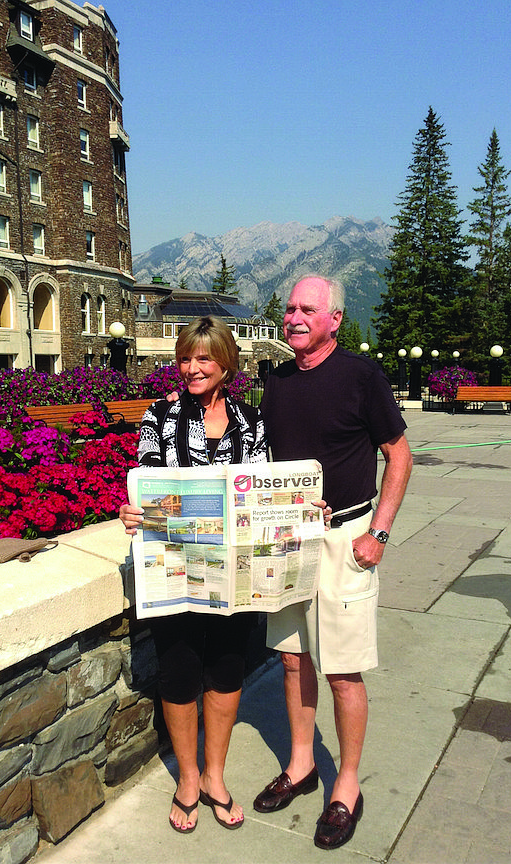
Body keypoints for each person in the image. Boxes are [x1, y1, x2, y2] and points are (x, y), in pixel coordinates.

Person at [253, 274, 412, 850]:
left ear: (334, 319)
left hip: (347, 539)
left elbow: (399, 454)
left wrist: (380, 532)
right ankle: (302, 765)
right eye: (290, 307)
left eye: (307, 309)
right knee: (293, 663)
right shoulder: (276, 381)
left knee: (343, 671)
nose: (294, 316)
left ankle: (346, 784)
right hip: (290, 542)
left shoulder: (363, 376)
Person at [119, 316, 267, 834]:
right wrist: (131, 511)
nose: (192, 368)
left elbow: (261, 488)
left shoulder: (253, 422)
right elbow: (147, 484)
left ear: (226, 362)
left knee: (227, 669)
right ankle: (187, 778)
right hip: (177, 569)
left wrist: (296, 505)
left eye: (204, 358)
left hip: (232, 571)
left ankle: (215, 775)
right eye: (186, 358)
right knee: (179, 669)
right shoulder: (158, 417)